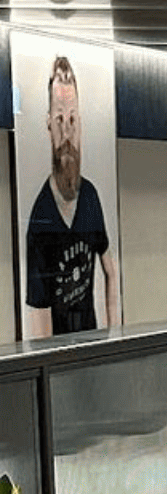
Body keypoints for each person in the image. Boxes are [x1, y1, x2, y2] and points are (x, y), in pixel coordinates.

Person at [24, 55, 119, 338]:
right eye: (60, 119)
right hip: (61, 358)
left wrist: (116, 336)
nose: (67, 131)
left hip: (92, 345)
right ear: (49, 125)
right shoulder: (41, 218)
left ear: (81, 124)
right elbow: (39, 313)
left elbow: (111, 272)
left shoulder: (90, 196)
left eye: (73, 120)